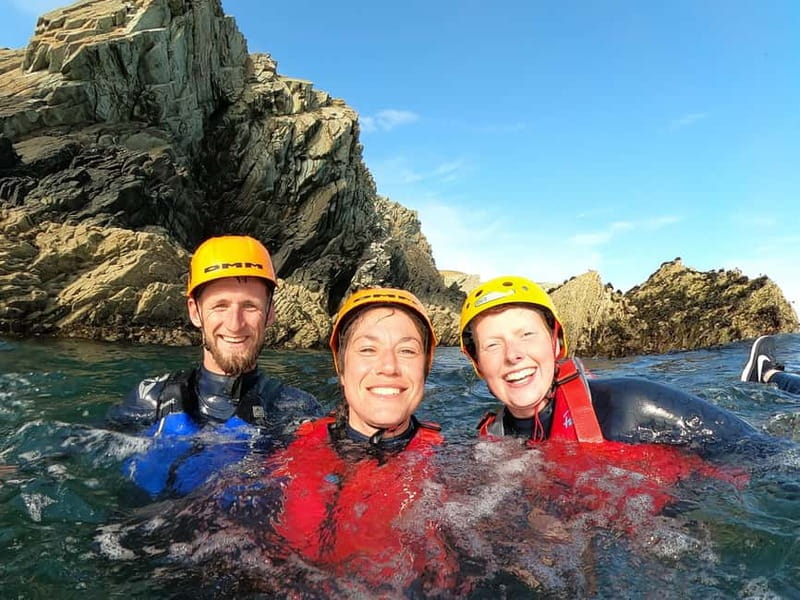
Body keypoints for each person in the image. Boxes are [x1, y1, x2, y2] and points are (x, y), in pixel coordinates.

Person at [260, 288, 461, 594]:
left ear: (425, 368)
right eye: (368, 350)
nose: (389, 367)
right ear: (341, 368)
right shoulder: (291, 449)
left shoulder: (451, 469)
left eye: (407, 351)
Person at [106, 235, 322, 496]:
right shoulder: (151, 399)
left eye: (250, 306)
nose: (234, 324)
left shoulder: (296, 410)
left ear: (270, 313)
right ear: (195, 312)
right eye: (220, 306)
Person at [459, 275, 765, 453]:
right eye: (492, 345)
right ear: (477, 362)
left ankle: (771, 376)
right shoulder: (487, 445)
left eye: (526, 335)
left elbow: (763, 454)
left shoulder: (630, 404)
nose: (513, 355)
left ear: (555, 343)